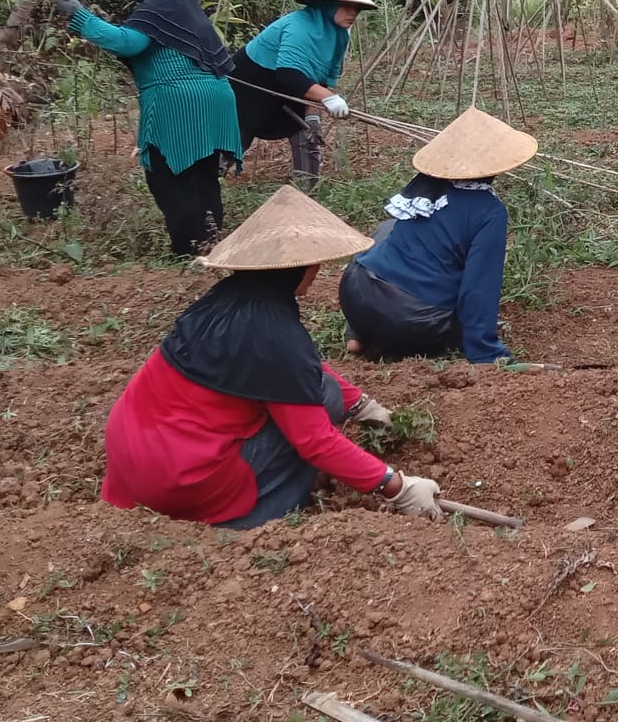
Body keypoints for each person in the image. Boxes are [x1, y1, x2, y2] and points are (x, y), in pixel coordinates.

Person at [102, 184, 443, 528]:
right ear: (300, 268)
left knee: (325, 390)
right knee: (316, 417)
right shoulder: (275, 332)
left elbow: (294, 368)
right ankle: (252, 517)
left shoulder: (222, 301)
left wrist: (361, 405)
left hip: (130, 456)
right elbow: (315, 442)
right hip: (182, 480)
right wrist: (396, 487)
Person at [53, 0, 243, 255]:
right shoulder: (190, 14)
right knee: (202, 175)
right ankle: (211, 241)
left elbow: (127, 43)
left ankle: (189, 250)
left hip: (179, 101)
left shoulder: (158, 6)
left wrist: (80, 15)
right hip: (216, 99)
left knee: (170, 177)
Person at [339, 106, 536, 362]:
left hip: (355, 292)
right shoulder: (489, 212)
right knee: (455, 317)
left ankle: (357, 333)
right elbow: (478, 289)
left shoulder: (424, 184)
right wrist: (485, 352)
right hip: (409, 320)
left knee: (387, 229)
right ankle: (386, 336)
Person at [229, 0, 376, 190]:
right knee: (238, 134)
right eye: (347, 6)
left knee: (307, 133)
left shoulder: (340, 34)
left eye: (356, 8)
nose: (353, 13)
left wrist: (313, 115)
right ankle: (206, 180)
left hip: (294, 86)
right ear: (328, 5)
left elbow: (320, 78)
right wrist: (329, 98)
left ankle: (306, 191)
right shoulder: (298, 26)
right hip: (253, 82)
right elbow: (289, 75)